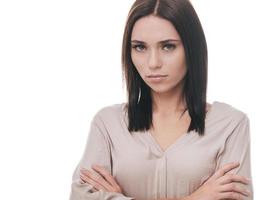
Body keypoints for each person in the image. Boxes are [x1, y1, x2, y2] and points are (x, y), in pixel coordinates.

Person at [69, 0, 253, 200]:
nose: (153, 63)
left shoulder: (230, 125)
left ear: (192, 48)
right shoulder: (108, 124)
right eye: (140, 47)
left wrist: (119, 197)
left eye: (167, 47)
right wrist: (196, 197)